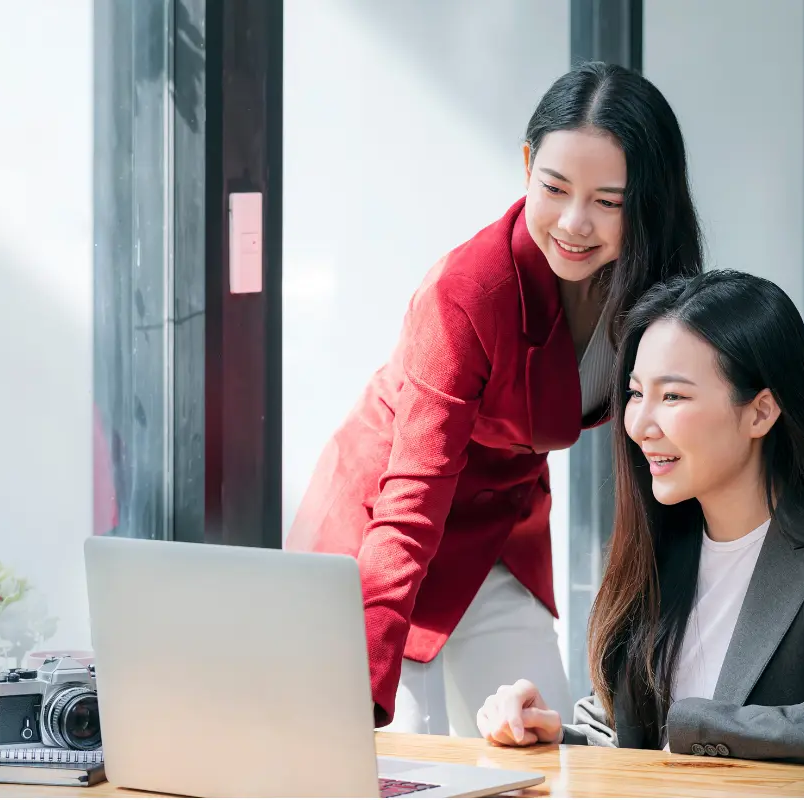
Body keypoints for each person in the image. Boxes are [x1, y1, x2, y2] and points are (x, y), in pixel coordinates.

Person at [285, 61, 704, 734]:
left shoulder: (656, 290)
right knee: (399, 754)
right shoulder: (469, 289)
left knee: (543, 742)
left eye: (609, 201)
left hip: (500, 531)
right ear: (527, 163)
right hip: (388, 527)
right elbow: (412, 497)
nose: (574, 222)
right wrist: (356, 688)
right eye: (555, 187)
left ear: (649, 199)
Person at [475, 270, 804, 770]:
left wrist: (700, 725)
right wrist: (551, 734)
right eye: (635, 393)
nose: (640, 425)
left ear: (760, 413)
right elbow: (626, 735)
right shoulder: (663, 539)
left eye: (672, 396)